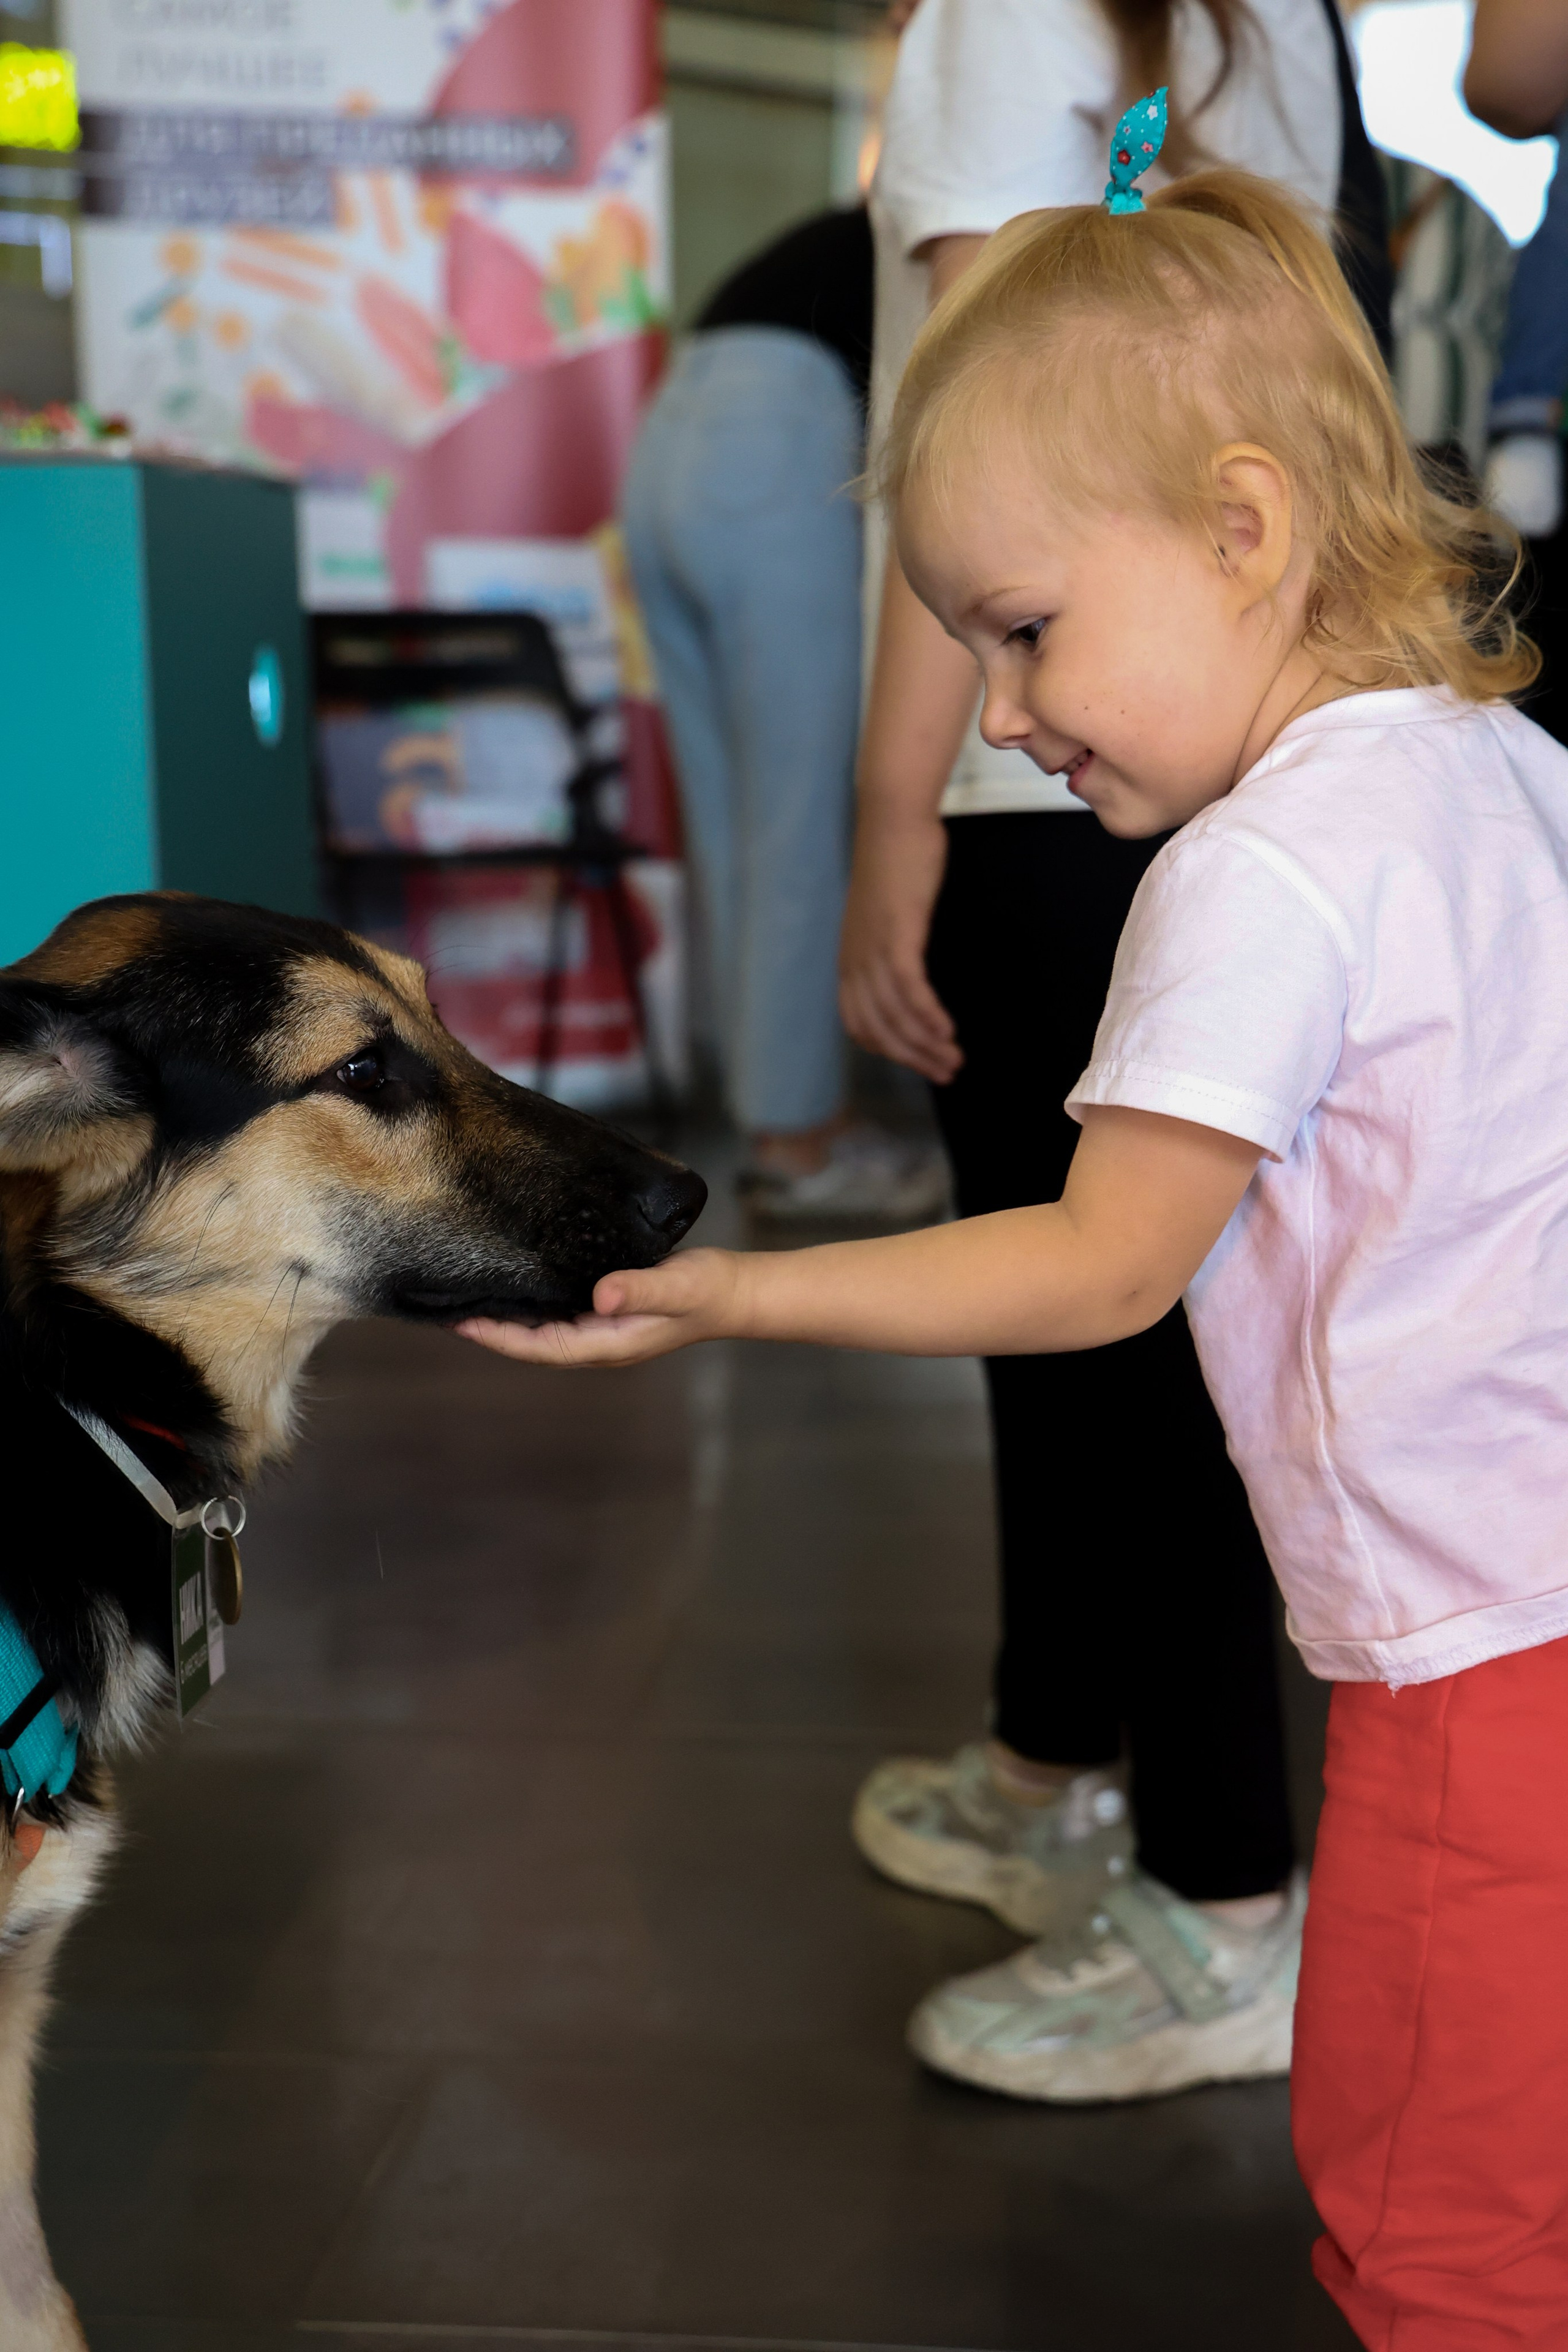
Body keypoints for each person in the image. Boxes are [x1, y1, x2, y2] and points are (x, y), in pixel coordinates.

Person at [464, 142, 1568, 2337]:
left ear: (1244, 527)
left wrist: (730, 1289)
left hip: (1475, 1670)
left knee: (1431, 2227)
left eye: (1025, 627)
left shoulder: (1263, 872)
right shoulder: (1497, 768)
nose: (996, 714)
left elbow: (1095, 1262)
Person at [837, 0, 1390, 2103]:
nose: (1005, 687)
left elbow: (986, 460)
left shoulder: (1004, 13)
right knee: (1150, 1353)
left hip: (1062, 826)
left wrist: (901, 808)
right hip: (1202, 750)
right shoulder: (1290, 28)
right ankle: (1063, 1762)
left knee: (1116, 1343)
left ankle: (1221, 1891)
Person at [622, 208, 948, 1223]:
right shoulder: (978, 203)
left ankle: (772, 1115)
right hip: (777, 439)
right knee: (800, 818)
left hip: (671, 432)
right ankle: (800, 1146)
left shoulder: (861, 223)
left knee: (732, 825)